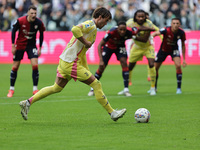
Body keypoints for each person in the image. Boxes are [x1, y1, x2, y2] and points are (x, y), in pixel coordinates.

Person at [19, 7, 126, 122]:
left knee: (56, 88)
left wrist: (86, 68)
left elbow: (82, 52)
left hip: (66, 61)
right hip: (71, 63)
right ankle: (112, 113)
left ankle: (27, 102)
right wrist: (85, 42)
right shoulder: (90, 24)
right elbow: (75, 29)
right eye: (106, 21)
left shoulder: (93, 29)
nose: (106, 24)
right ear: (100, 17)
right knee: (96, 84)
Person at [88, 21, 155, 97]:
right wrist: (100, 60)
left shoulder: (130, 31)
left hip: (120, 47)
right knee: (102, 67)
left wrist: (150, 28)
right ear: (117, 29)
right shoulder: (112, 32)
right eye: (120, 30)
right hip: (109, 47)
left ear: (126, 29)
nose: (122, 31)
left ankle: (126, 89)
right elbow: (99, 45)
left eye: (124, 30)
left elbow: (140, 28)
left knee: (124, 63)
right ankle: (92, 88)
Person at [7, 5, 45, 97]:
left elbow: (41, 34)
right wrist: (13, 45)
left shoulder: (39, 22)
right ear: (28, 13)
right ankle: (11, 89)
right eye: (31, 13)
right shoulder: (20, 21)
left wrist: (40, 48)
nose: (33, 15)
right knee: (15, 66)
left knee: (35, 65)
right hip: (20, 45)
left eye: (35, 13)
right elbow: (13, 31)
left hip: (31, 46)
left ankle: (35, 89)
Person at [152, 18, 187, 94]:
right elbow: (155, 33)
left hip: (174, 50)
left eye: (177, 23)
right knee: (155, 68)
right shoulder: (166, 30)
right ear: (171, 24)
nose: (175, 25)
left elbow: (183, 45)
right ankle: (154, 87)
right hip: (163, 50)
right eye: (174, 23)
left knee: (178, 65)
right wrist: (152, 38)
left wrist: (184, 59)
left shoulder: (181, 33)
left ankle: (178, 88)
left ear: (179, 24)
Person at [126, 9, 157, 95]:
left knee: (151, 64)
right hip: (136, 47)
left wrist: (133, 35)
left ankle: (153, 88)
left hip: (147, 46)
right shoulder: (129, 23)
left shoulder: (148, 24)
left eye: (142, 16)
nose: (140, 18)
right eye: (138, 16)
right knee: (130, 66)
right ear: (135, 17)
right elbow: (124, 30)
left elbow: (144, 39)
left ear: (145, 17)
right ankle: (126, 87)